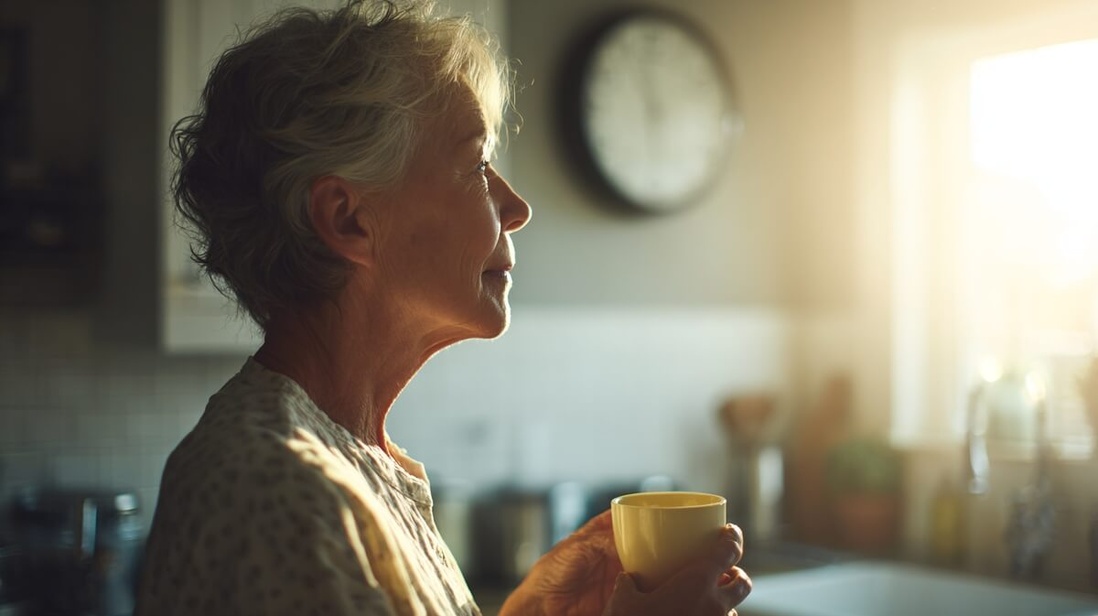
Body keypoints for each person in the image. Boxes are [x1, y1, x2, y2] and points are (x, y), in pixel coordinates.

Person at [135, 1, 753, 615]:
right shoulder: (274, 490)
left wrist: (532, 614)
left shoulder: (352, 459)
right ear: (349, 220)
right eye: (476, 165)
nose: (516, 208)